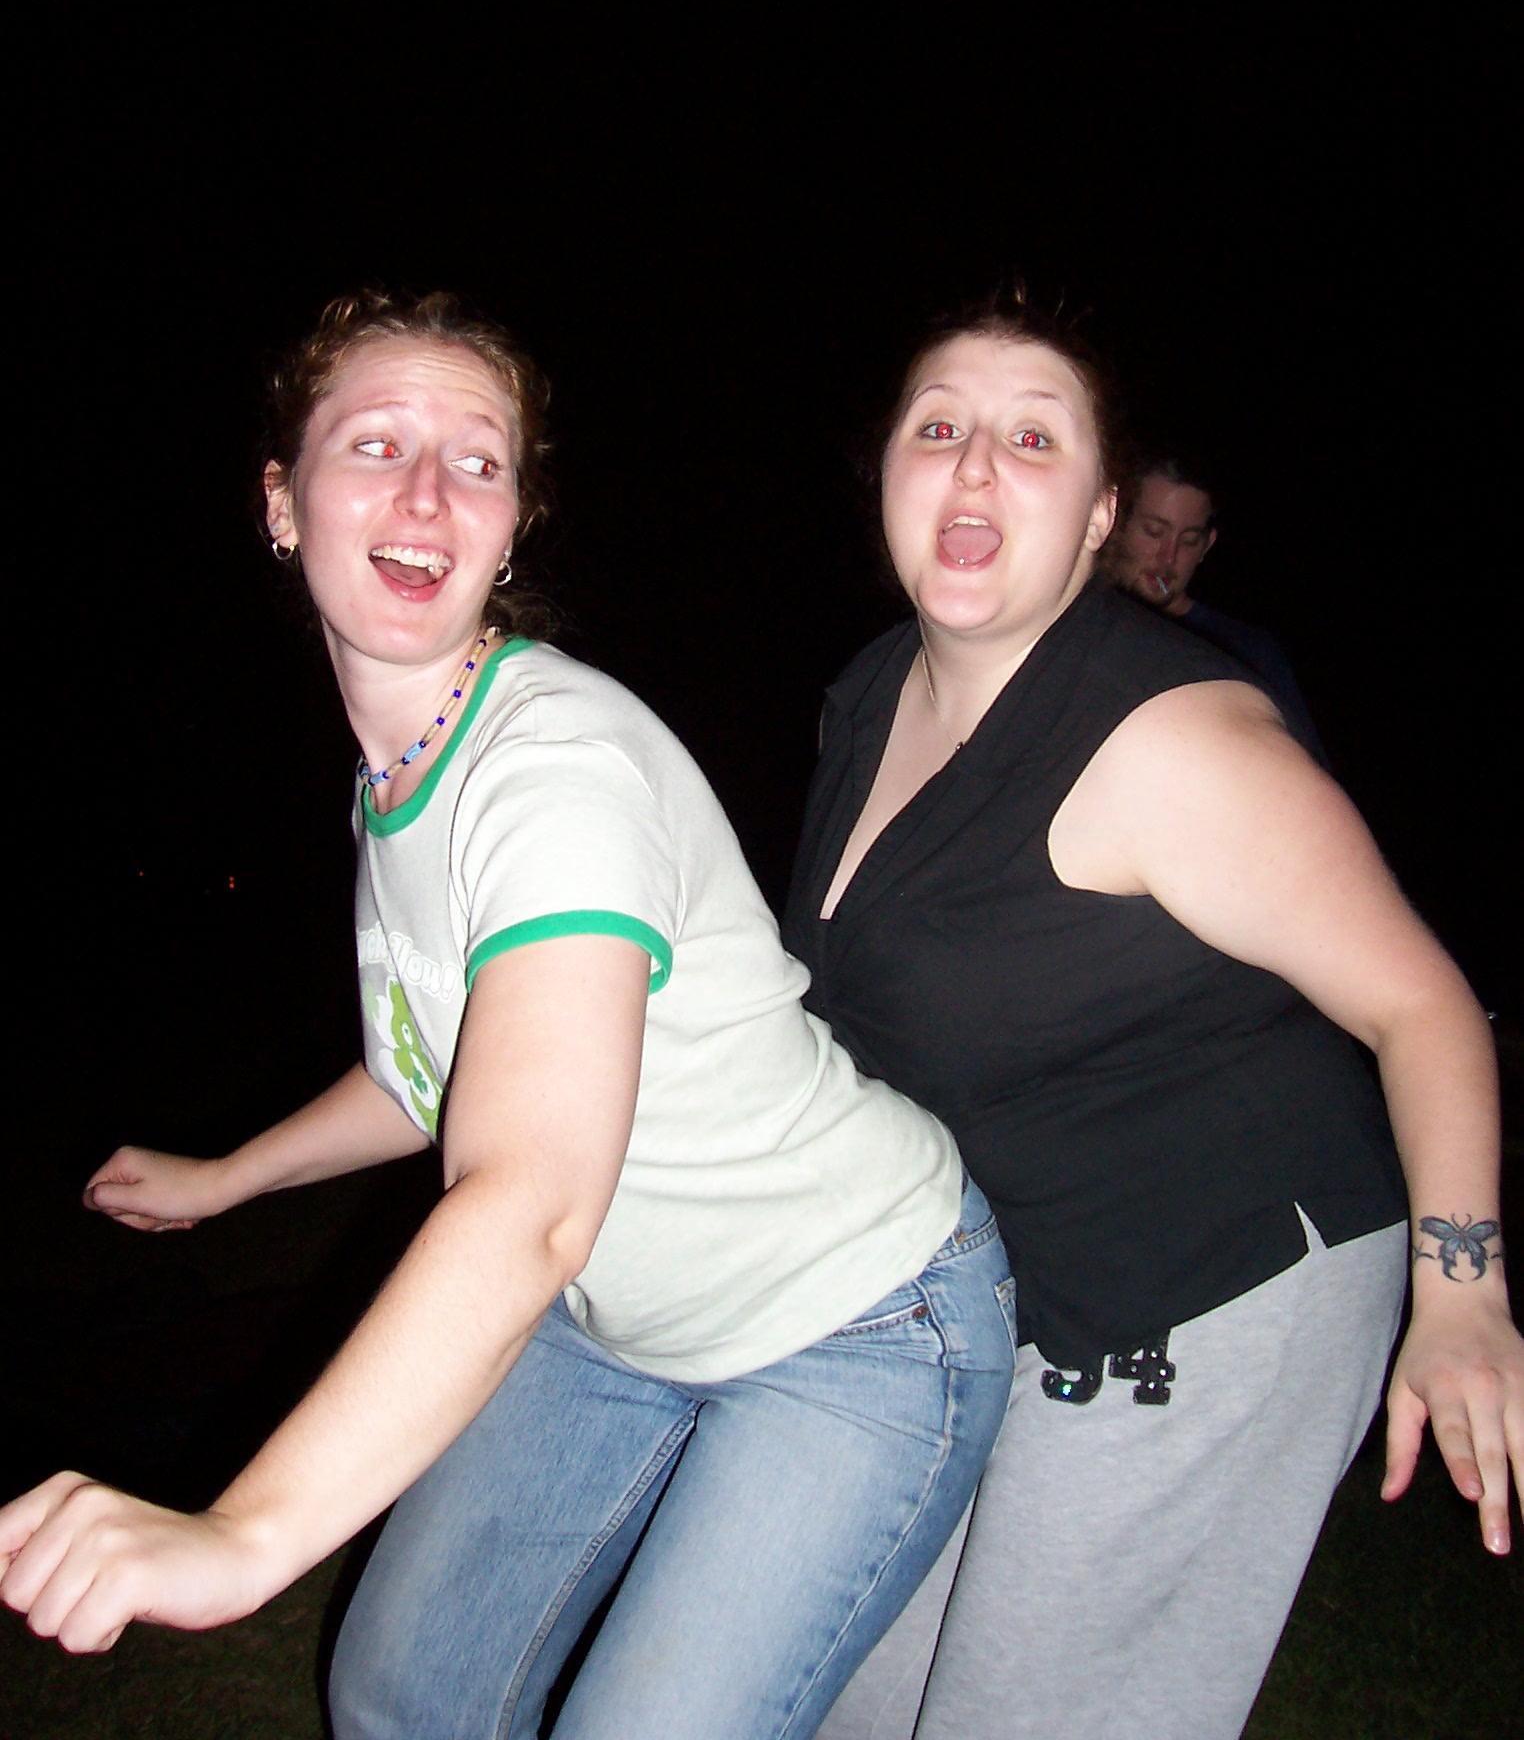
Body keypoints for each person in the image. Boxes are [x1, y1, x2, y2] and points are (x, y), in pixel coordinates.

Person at [0, 292, 1016, 1740]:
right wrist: (228, 1178)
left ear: (513, 524)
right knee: (404, 1693)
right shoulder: (402, 770)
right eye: (376, 443)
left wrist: (244, 1532)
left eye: (477, 461)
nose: (428, 491)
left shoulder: (553, 769)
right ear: (282, 502)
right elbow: (427, 1072)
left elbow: (530, 1195)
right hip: (616, 1312)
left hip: (857, 1311)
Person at [782, 295, 1523, 1740]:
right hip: (1023, 1276)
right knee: (851, 1689)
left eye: (1032, 439)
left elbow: (1423, 1001)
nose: (976, 464)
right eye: (940, 427)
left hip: (1222, 1281)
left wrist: (1464, 1295)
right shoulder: (867, 700)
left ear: (1101, 515)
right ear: (886, 474)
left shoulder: (1170, 738)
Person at [1107, 452, 1325, 758]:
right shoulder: (1083, 625)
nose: (1168, 557)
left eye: (1188, 540)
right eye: (1154, 532)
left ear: (1206, 546)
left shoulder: (1247, 652)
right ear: (1116, 523)